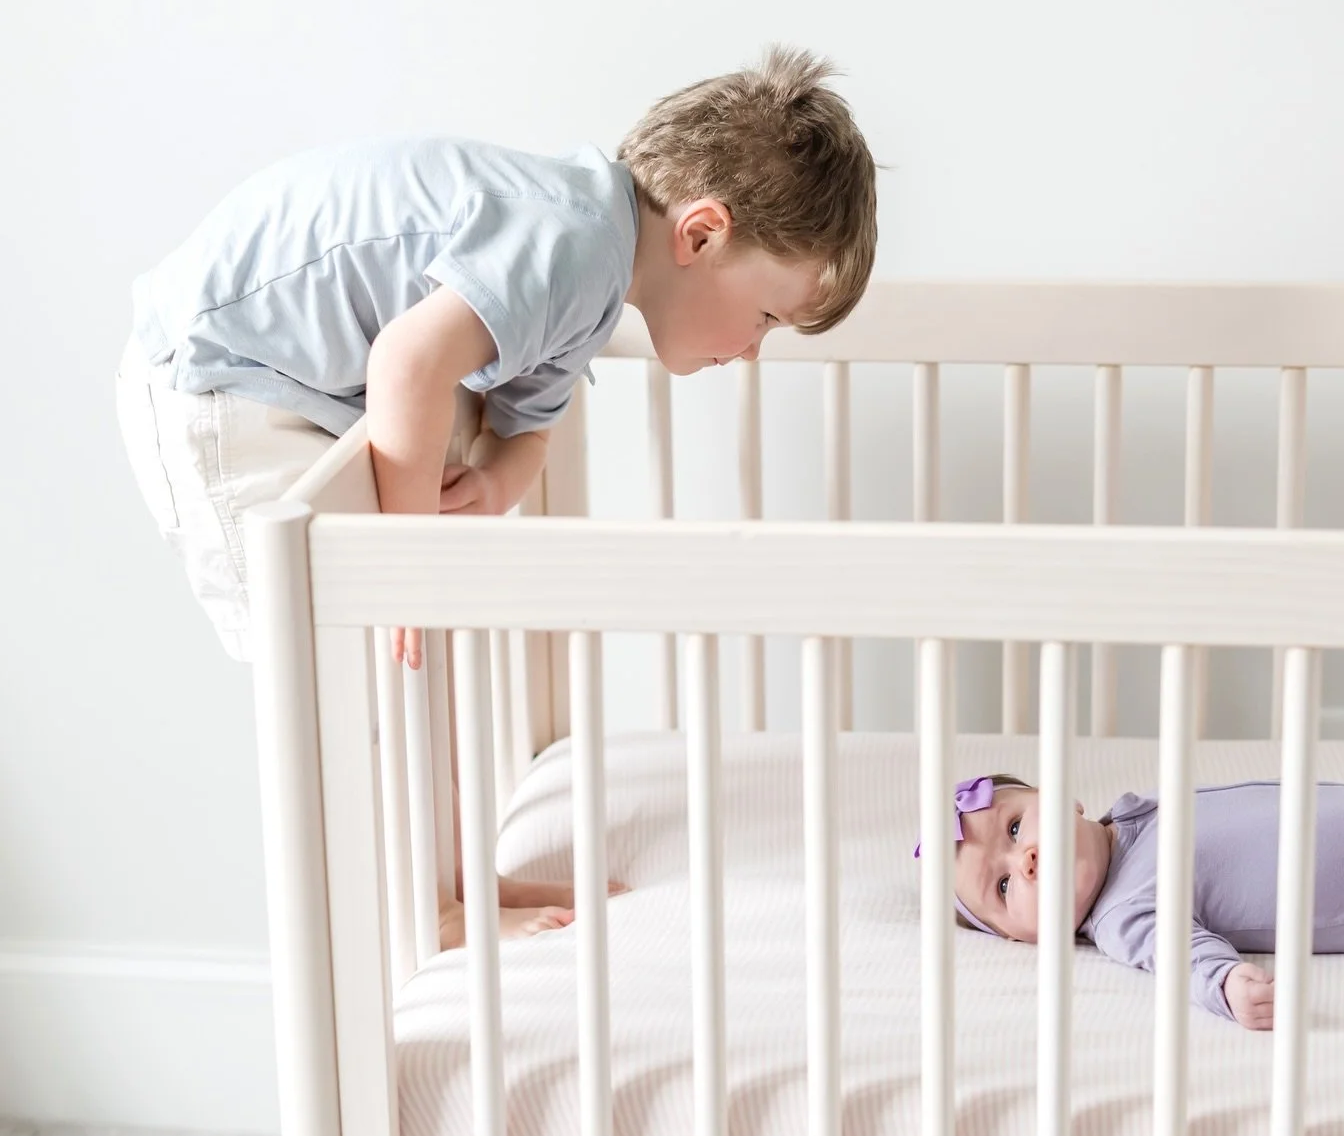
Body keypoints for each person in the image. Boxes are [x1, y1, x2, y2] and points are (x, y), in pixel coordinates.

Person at [117, 46, 878, 939]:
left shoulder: (588, 272)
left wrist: (492, 478)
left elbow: (524, 431)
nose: (751, 351)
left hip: (291, 390)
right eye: (765, 319)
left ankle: (452, 887)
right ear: (702, 234)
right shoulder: (572, 241)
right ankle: (413, 911)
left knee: (406, 662)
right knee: (341, 678)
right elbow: (406, 361)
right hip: (217, 380)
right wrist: (412, 570)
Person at [928, 774, 1344, 1030]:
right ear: (1021, 938)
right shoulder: (1122, 914)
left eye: (1016, 828)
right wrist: (1228, 984)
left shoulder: (1136, 813)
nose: (1026, 860)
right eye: (1003, 887)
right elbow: (1179, 954)